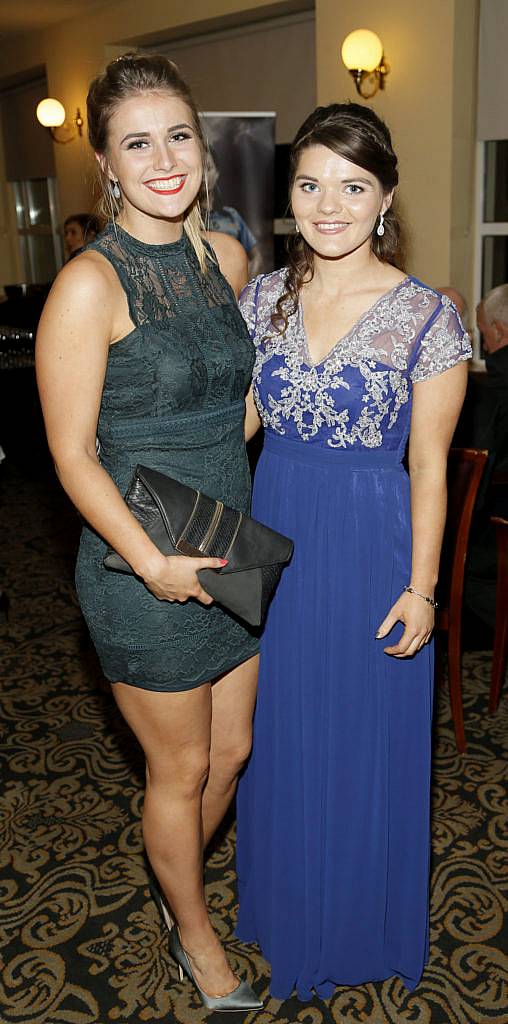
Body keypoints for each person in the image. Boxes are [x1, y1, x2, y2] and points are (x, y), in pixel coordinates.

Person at [35, 52, 262, 1013]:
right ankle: (194, 935)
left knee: (235, 753)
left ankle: (177, 890)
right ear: (109, 166)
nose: (163, 159)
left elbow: (236, 401)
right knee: (183, 766)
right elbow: (73, 454)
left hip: (233, 536)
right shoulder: (88, 285)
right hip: (144, 559)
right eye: (137, 143)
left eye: (177, 135)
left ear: (202, 148)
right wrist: (151, 561)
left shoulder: (227, 256)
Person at [236, 102, 471, 1000]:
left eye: (352, 186)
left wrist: (423, 591)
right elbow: (241, 428)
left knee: (365, 737)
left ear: (385, 198)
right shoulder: (263, 298)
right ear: (290, 194)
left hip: (375, 544)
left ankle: (361, 922)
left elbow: (429, 470)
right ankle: (289, 908)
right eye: (310, 184)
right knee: (280, 731)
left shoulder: (427, 317)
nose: (328, 204)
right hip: (276, 531)